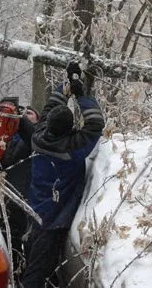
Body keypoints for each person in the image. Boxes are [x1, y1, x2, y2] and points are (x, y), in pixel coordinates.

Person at [22, 62, 105, 288]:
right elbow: (96, 124)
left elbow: (51, 106)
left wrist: (68, 84)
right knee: (37, 273)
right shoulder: (72, 151)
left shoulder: (38, 137)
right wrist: (81, 95)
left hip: (37, 210)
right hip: (53, 221)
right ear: (70, 129)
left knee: (35, 265)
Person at [0, 104, 40, 285]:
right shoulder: (9, 137)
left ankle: (27, 278)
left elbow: (32, 137)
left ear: (38, 119)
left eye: (30, 113)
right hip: (9, 197)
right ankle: (15, 277)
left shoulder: (40, 136)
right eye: (23, 113)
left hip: (28, 198)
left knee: (29, 242)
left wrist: (20, 120)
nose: (25, 115)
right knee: (11, 240)